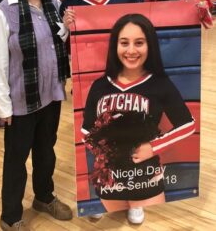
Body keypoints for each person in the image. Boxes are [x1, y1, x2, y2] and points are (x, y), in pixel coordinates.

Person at [81, 13, 196, 224]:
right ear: (115, 46)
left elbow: (187, 124)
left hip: (146, 173)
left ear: (150, 45)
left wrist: (154, 147)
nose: (131, 50)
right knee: (111, 213)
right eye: (124, 43)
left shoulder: (160, 83)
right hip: (110, 176)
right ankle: (102, 204)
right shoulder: (100, 85)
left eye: (139, 43)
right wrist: (102, 150)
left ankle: (137, 206)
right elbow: (85, 129)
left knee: (141, 210)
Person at [0, 0, 72, 231]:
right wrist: (2, 106)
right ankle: (10, 216)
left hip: (51, 94)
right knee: (16, 158)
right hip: (21, 99)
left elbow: (57, 40)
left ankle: (44, 197)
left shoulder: (54, 1)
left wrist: (69, 27)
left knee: (45, 151)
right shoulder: (6, 10)